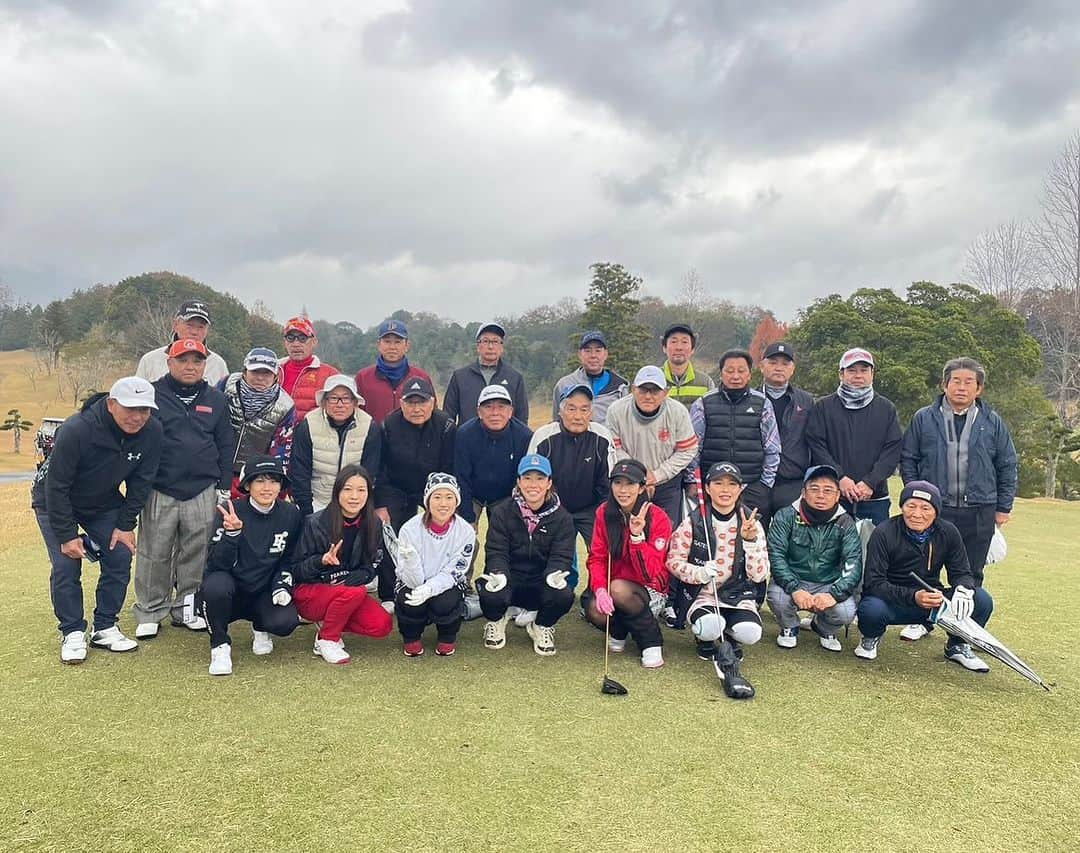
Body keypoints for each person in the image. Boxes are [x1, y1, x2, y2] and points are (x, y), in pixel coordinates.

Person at [31, 377, 163, 662]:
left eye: (144, 410)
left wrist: (126, 524)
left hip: (102, 501)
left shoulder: (152, 431)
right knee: (67, 564)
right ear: (112, 404)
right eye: (131, 409)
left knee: (118, 556)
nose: (138, 417)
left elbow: (142, 482)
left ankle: (104, 626)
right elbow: (57, 486)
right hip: (53, 501)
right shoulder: (77, 429)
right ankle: (72, 631)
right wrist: (67, 535)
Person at [899, 356, 1017, 641]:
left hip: (979, 509)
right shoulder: (924, 418)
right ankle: (923, 621)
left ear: (979, 389)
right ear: (945, 384)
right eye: (956, 381)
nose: (962, 387)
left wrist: (1003, 506)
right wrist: (918, 500)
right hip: (936, 510)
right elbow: (909, 459)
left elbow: (1007, 463)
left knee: (970, 575)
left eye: (969, 383)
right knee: (924, 568)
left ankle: (962, 637)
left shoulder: (991, 421)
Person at [134, 339, 233, 639]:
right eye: (183, 360)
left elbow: (225, 444)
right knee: (154, 551)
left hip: (202, 487)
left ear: (205, 364)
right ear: (169, 361)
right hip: (160, 487)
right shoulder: (152, 394)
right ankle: (150, 610)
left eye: (197, 361)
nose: (190, 366)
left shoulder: (215, 399)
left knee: (197, 551)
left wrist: (224, 487)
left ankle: (186, 608)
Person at [855, 481, 993, 672]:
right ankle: (871, 637)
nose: (917, 514)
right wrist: (914, 596)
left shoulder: (948, 532)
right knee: (870, 609)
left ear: (936, 511)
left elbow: (961, 572)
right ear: (902, 507)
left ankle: (957, 645)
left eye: (925, 508)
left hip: (933, 601)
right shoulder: (884, 532)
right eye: (910, 506)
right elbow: (873, 583)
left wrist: (964, 589)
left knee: (981, 599)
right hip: (893, 601)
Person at [666, 462, 767, 697]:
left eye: (732, 484)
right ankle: (706, 641)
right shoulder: (693, 521)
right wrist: (698, 573)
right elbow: (673, 561)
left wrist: (750, 542)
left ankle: (731, 638)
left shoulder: (752, 523)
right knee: (711, 626)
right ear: (707, 488)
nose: (725, 489)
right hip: (702, 595)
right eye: (718, 483)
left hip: (739, 594)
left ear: (740, 489)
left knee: (751, 632)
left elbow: (759, 575)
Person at [197, 456, 301, 676]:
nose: (267, 488)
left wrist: (282, 585)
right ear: (247, 485)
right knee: (215, 586)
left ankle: (260, 627)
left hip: (263, 589)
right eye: (260, 481)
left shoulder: (291, 514)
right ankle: (220, 645)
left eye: (273, 481)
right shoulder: (230, 510)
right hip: (231, 589)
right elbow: (217, 564)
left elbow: (289, 558)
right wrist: (232, 534)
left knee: (286, 622)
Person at [292, 464, 394, 664]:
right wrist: (321, 561)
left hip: (347, 591)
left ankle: (330, 623)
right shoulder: (315, 522)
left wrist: (363, 575)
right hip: (313, 591)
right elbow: (297, 570)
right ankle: (326, 638)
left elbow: (373, 563)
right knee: (356, 592)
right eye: (348, 489)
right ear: (337, 491)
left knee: (382, 625)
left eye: (361, 490)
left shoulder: (373, 523)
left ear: (368, 494)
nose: (354, 496)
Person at [476, 455, 577, 655]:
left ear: (549, 483)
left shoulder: (563, 518)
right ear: (519, 481)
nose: (533, 484)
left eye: (540, 478)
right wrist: (499, 574)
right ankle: (497, 621)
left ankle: (541, 625)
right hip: (511, 581)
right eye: (527, 478)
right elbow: (497, 551)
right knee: (489, 591)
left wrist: (553, 575)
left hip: (540, 583)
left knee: (564, 595)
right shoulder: (502, 511)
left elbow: (562, 556)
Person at [374, 376, 456, 609]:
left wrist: (443, 501)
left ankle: (438, 584)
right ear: (401, 403)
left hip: (433, 487)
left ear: (433, 402)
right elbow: (380, 467)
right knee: (390, 534)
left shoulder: (446, 425)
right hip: (395, 487)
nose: (416, 408)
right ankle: (389, 593)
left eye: (422, 402)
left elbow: (449, 467)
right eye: (411, 402)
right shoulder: (388, 424)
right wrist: (380, 503)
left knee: (438, 532)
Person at [584, 459, 672, 669]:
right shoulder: (604, 513)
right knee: (594, 609)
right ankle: (619, 631)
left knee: (619, 588)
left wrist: (637, 538)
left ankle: (651, 640)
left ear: (641, 487)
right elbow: (597, 557)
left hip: (650, 591)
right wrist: (600, 590)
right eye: (617, 483)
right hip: (614, 587)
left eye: (630, 484)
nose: (623, 490)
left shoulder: (658, 517)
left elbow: (650, 573)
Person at [528, 383, 617, 590]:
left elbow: (608, 481)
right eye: (571, 408)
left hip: (590, 509)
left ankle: (598, 593)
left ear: (591, 412)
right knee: (551, 554)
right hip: (554, 509)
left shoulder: (601, 437)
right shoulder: (544, 437)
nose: (578, 416)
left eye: (584, 409)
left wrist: (604, 515)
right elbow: (532, 482)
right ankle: (555, 590)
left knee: (604, 550)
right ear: (560, 411)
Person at [766, 464, 862, 652]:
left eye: (828, 490)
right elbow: (776, 555)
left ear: (837, 496)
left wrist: (834, 594)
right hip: (793, 579)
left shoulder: (846, 522)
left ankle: (823, 627)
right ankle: (789, 626)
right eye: (814, 489)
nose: (821, 495)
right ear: (803, 492)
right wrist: (794, 588)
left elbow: (853, 563)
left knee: (846, 611)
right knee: (777, 597)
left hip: (828, 582)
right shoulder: (785, 515)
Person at [806, 347, 902, 525]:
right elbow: (817, 446)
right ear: (841, 374)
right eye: (852, 370)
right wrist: (839, 478)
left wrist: (870, 482)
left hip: (874, 497)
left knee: (873, 550)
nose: (858, 376)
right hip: (832, 496)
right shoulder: (823, 407)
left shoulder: (886, 408)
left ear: (872, 374)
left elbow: (893, 449)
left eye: (864, 370)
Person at [689, 348, 780, 525]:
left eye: (741, 370)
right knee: (713, 538)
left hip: (752, 484)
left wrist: (765, 485)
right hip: (714, 486)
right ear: (721, 374)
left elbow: (773, 448)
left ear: (749, 374)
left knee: (753, 538)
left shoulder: (762, 404)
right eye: (729, 371)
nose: (735, 376)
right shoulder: (703, 404)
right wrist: (693, 480)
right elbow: (693, 448)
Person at [393, 473, 475, 657]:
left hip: (446, 582)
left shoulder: (466, 532)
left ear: (457, 501)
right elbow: (407, 576)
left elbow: (455, 571)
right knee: (409, 598)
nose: (443, 504)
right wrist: (412, 563)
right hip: (414, 579)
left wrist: (430, 588)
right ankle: (411, 636)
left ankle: (447, 636)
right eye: (437, 497)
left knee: (446, 602)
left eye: (449, 497)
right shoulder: (409, 528)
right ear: (427, 501)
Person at [605, 365, 698, 526]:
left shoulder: (678, 412)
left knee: (667, 532)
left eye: (654, 391)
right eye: (643, 390)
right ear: (633, 389)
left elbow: (687, 449)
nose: (648, 396)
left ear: (665, 392)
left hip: (667, 484)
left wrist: (657, 475)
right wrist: (640, 474)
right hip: (628, 482)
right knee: (629, 531)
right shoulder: (616, 411)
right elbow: (614, 448)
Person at [290, 374, 383, 517]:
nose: (339, 404)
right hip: (318, 501)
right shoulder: (308, 425)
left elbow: (370, 473)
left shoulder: (369, 427)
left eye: (346, 398)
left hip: (354, 502)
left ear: (355, 402)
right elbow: (300, 472)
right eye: (333, 398)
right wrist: (307, 512)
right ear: (325, 401)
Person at [219, 347, 296, 496]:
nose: (260, 378)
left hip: (251, 476)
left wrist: (275, 491)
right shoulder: (227, 384)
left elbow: (281, 453)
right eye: (255, 372)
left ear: (275, 376)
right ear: (244, 372)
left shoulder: (286, 406)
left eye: (266, 373)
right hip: (215, 467)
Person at [454, 384, 533, 530]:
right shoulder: (464, 434)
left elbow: (522, 479)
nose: (495, 412)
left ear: (510, 412)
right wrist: (467, 517)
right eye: (488, 407)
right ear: (479, 412)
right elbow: (461, 477)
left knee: (503, 541)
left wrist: (513, 510)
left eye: (501, 407)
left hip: (506, 496)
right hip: (472, 495)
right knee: (464, 538)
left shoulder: (524, 436)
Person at [760, 341, 815, 515]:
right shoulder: (752, 399)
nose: (779, 368)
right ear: (762, 366)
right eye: (773, 362)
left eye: (785, 364)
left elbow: (815, 441)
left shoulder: (806, 401)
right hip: (758, 482)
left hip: (793, 482)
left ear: (793, 369)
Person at [443, 322, 529, 424]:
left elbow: (522, 417)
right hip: (468, 438)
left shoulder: (514, 378)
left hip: (504, 438)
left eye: (495, 341)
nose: (491, 346)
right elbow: (448, 416)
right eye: (486, 341)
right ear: (478, 346)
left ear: (502, 347)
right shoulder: (460, 377)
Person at [354, 319, 435, 424]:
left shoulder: (421, 377)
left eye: (397, 342)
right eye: (387, 341)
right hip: (374, 438)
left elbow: (432, 412)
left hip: (411, 438)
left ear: (407, 345)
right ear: (379, 344)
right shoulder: (363, 378)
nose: (392, 347)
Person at [136, 299, 229, 385]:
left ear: (207, 330)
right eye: (189, 325)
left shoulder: (218, 364)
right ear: (175, 325)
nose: (194, 332)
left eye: (201, 327)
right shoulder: (150, 360)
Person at [551, 331, 628, 422]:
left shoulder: (620, 387)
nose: (593, 355)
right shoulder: (564, 384)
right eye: (588, 351)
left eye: (598, 351)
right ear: (580, 354)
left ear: (606, 354)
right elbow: (557, 421)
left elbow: (624, 423)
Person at [277, 316, 338, 421]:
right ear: (285, 342)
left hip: (311, 435)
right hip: (274, 435)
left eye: (303, 338)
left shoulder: (330, 375)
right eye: (290, 338)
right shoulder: (272, 371)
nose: (296, 344)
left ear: (314, 342)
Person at [661, 323, 715, 408]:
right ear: (664, 347)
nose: (679, 347)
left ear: (692, 349)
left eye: (684, 342)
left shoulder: (705, 383)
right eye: (674, 341)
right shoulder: (654, 380)